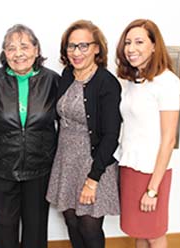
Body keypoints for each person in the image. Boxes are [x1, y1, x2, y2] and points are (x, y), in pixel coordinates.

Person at [0, 24, 60, 248]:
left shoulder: (52, 81)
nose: (18, 53)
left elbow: (66, 122)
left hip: (39, 167)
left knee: (35, 229)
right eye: (11, 48)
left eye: (24, 46)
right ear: (4, 53)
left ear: (36, 50)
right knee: (3, 228)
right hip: (1, 167)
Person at [46, 20, 122, 248]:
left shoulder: (107, 83)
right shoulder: (67, 75)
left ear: (97, 48)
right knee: (71, 221)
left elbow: (111, 135)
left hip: (93, 164)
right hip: (67, 162)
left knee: (89, 227)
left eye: (83, 46)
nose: (76, 52)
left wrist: (93, 179)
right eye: (71, 46)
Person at [114, 19, 180, 248]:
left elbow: (169, 139)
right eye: (128, 42)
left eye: (139, 42)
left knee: (154, 232)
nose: (131, 48)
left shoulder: (168, 82)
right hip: (130, 166)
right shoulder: (133, 81)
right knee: (138, 231)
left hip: (153, 172)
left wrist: (153, 189)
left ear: (154, 45)